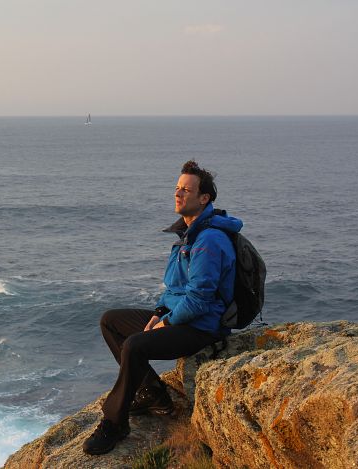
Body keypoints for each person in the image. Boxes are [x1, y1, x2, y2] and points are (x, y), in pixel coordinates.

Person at [82, 160, 243, 455]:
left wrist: (167, 323)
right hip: (181, 316)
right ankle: (153, 394)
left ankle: (114, 424)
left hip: (202, 326)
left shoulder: (208, 240)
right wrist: (159, 312)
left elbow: (199, 299)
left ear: (204, 198)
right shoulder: (188, 233)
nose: (178, 195)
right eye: (177, 188)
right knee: (111, 321)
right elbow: (174, 289)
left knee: (135, 345)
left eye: (186, 190)